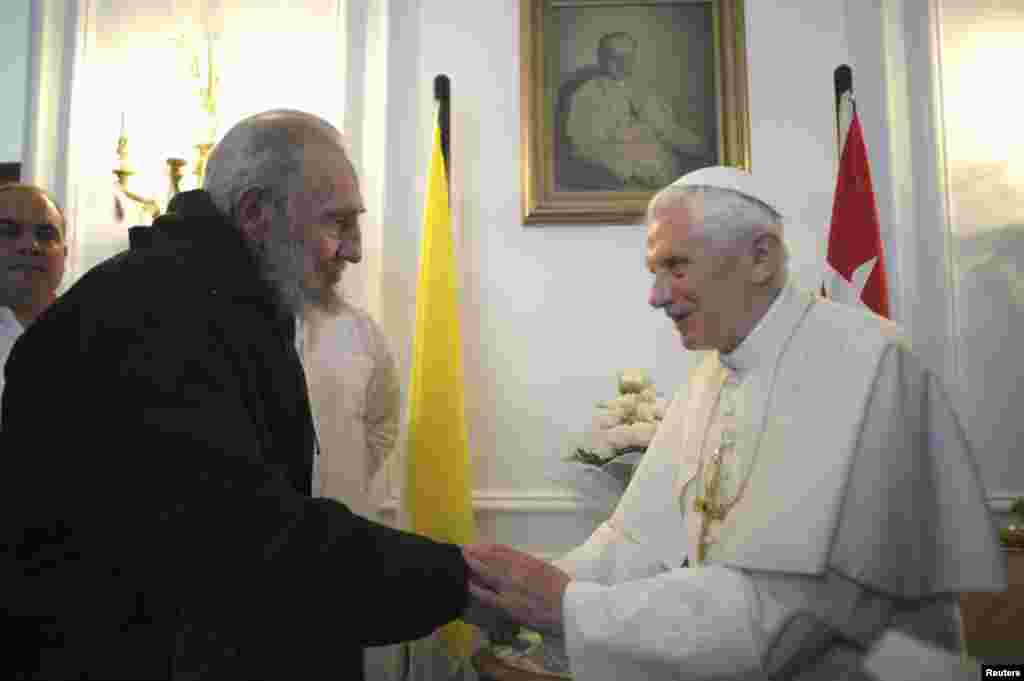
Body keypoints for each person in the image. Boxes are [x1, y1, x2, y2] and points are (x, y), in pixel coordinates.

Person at [464, 166, 1007, 679]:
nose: (656, 296)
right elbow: (636, 540)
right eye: (655, 272)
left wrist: (568, 609)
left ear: (760, 258)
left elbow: (783, 615)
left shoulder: (862, 362)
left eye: (676, 267)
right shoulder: (712, 375)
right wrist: (523, 590)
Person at [1, 110, 469, 680]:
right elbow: (244, 540)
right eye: (337, 224)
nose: (353, 250)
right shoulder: (158, 315)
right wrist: (459, 579)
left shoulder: (208, 299)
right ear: (254, 214)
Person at [296, 196, 404, 681]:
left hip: (334, 567)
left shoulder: (360, 332)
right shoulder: (222, 324)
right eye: (337, 227)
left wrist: (340, 482)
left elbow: (381, 427)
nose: (350, 250)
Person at [561, 32, 709, 189]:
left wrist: (699, 147)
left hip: (660, 166)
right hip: (619, 174)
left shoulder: (644, 88)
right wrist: (629, 168)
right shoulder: (585, 95)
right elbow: (582, 146)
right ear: (602, 58)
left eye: (628, 57)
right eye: (615, 57)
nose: (623, 64)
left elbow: (667, 128)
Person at [0, 183, 67, 417]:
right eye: (8, 231)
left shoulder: (104, 336)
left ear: (64, 255)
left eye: (46, 235)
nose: (30, 246)